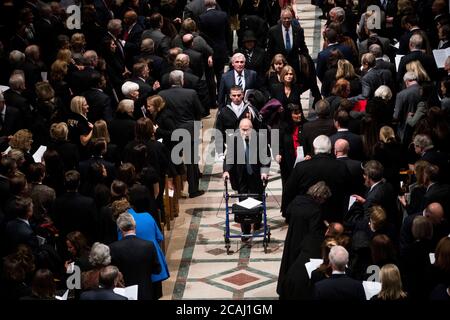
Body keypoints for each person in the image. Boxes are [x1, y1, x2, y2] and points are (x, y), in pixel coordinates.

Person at [277, 181, 332, 299]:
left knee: (289, 262)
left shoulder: (297, 200)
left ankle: (285, 288)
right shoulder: (315, 210)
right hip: (304, 240)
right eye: (323, 199)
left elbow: (288, 211)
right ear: (319, 197)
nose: (323, 202)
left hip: (292, 236)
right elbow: (314, 231)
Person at [223, 118, 270, 241]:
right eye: (242, 130)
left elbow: (266, 157)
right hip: (241, 176)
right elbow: (229, 158)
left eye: (247, 129)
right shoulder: (234, 139)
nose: (244, 132)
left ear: (252, 129)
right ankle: (245, 230)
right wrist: (227, 170)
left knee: (257, 198)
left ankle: (257, 220)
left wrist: (264, 172)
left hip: (256, 176)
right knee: (243, 201)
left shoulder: (260, 138)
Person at [109, 212, 161, 300]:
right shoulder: (148, 245)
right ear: (134, 225)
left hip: (124, 292)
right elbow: (157, 270)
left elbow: (113, 273)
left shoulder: (113, 248)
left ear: (120, 229)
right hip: (145, 291)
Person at [276, 103, 307, 187]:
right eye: (296, 113)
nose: (299, 115)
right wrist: (278, 154)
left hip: (303, 162)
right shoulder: (282, 128)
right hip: (288, 163)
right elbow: (279, 144)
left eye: (300, 112)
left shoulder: (305, 126)